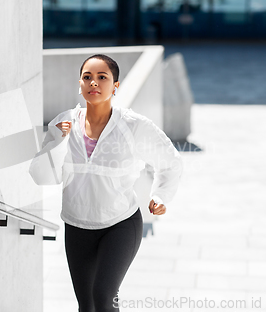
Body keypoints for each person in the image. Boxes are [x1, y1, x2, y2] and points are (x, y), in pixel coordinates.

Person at [29, 54, 183, 311]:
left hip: (120, 224)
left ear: (116, 86)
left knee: (104, 295)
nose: (94, 83)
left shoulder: (134, 126)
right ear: (79, 84)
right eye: (87, 77)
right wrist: (58, 143)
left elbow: (170, 162)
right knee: (86, 305)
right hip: (77, 225)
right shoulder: (62, 124)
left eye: (102, 77)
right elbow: (41, 175)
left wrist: (160, 196)